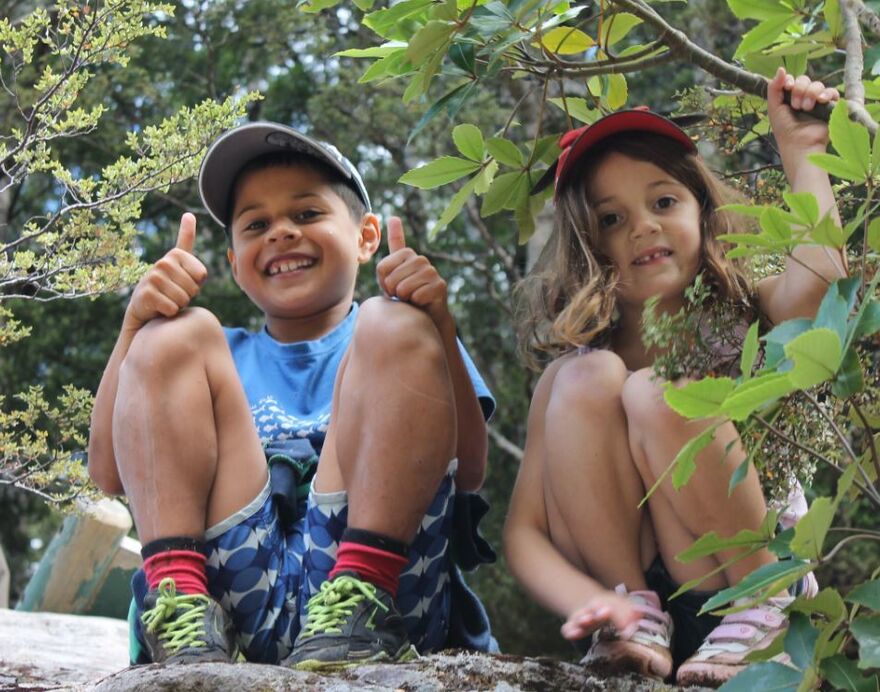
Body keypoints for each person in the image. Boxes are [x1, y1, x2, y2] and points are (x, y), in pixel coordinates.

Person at [87, 121, 496, 670]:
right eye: (256, 223)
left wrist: (438, 326)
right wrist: (135, 326)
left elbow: (467, 473)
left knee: (393, 321)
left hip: (382, 596)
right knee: (175, 333)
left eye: (307, 214)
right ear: (233, 263)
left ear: (366, 237)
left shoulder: (401, 339)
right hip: (229, 604)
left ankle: (361, 600)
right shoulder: (212, 359)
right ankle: (179, 602)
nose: (280, 232)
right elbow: (110, 475)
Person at [503, 68, 845, 688]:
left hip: (746, 579)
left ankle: (764, 604)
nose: (643, 226)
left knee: (654, 389)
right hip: (643, 608)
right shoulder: (576, 375)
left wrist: (804, 153)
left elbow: (818, 293)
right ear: (586, 244)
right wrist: (593, 599)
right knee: (582, 379)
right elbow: (525, 535)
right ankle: (634, 616)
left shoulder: (747, 311)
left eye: (663, 202)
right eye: (611, 219)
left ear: (703, 211)